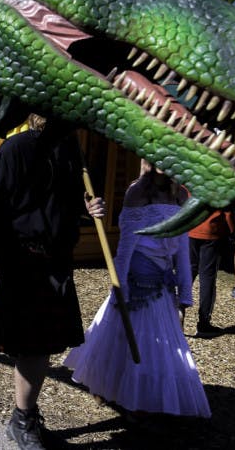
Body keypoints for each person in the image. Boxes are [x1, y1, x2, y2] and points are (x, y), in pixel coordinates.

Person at [0, 113, 105, 450]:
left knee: (44, 345)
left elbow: (63, 203)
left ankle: (24, 415)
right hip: (23, 260)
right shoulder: (16, 149)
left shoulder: (69, 152)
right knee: (33, 346)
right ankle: (23, 419)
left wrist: (88, 209)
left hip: (58, 260)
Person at [64, 163, 211, 419]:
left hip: (163, 283)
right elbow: (125, 250)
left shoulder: (182, 195)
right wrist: (120, 290)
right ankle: (117, 390)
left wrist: (185, 293)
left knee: (160, 345)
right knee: (127, 339)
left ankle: (148, 395)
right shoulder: (138, 192)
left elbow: (183, 252)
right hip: (136, 281)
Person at [188, 209, 235, 337]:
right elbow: (228, 212)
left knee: (188, 272)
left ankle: (177, 312)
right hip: (212, 232)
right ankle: (204, 322)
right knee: (207, 278)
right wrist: (233, 231)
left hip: (191, 230)